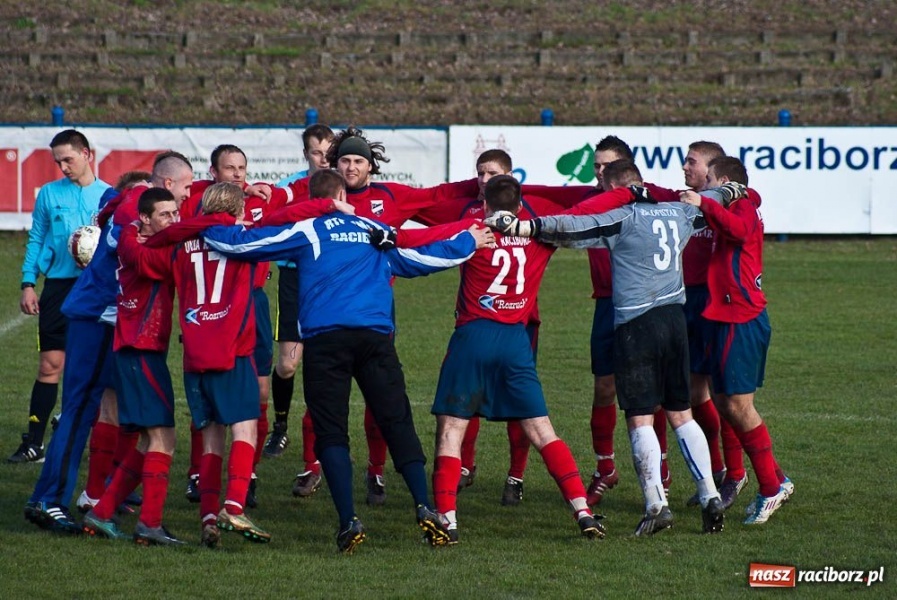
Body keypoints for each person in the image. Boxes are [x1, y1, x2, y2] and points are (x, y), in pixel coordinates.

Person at [200, 169, 490, 553]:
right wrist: (468, 243)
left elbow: (246, 244)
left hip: (325, 341)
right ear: (343, 194)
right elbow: (418, 258)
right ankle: (424, 506)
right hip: (374, 338)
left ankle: (348, 520)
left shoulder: (307, 229)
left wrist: (205, 226)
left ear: (313, 198)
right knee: (397, 421)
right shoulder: (373, 228)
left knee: (331, 430)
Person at [486, 161, 725, 536]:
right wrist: (730, 192)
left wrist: (522, 227)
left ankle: (656, 505)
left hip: (637, 324)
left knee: (640, 417)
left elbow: (573, 227)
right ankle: (710, 495)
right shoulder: (679, 212)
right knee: (681, 413)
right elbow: (712, 200)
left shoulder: (622, 218)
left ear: (615, 188)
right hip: (675, 321)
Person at [277, 126, 478, 505]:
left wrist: (480, 184)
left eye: (358, 161)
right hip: (324, 311)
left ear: (371, 167)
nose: (351, 167)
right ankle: (310, 464)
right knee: (321, 398)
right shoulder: (314, 195)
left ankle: (376, 471)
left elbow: (436, 198)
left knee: (380, 402)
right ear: (334, 164)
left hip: (375, 313)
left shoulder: (390, 198)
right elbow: (276, 207)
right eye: (345, 161)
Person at [429, 174, 607, 544]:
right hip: (515, 342)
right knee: (542, 430)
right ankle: (583, 511)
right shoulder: (539, 233)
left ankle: (447, 520)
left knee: (451, 431)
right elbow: (579, 217)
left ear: (485, 204)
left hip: (473, 337)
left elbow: (429, 249)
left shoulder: (474, 229)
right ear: (521, 204)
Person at [24, 151, 194, 534]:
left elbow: (111, 212)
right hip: (100, 316)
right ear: (166, 186)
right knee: (81, 407)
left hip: (103, 316)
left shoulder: (132, 201)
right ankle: (49, 499)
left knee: (107, 409)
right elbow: (134, 248)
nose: (186, 199)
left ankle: (71, 496)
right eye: (185, 189)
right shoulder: (137, 205)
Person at [415, 148, 569, 506]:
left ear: (511, 177)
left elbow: (575, 208)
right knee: (467, 401)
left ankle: (515, 475)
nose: (484, 180)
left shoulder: (535, 210)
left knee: (523, 407)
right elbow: (422, 207)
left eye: (492, 173)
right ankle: (465, 467)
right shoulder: (467, 212)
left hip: (519, 323)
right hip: (483, 322)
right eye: (480, 173)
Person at [81, 187, 214, 545]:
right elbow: (172, 257)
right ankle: (149, 524)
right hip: (139, 351)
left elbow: (122, 216)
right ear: (145, 219)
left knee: (147, 440)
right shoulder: (148, 254)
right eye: (166, 215)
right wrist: (219, 220)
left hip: (136, 350)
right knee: (163, 438)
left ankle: (102, 512)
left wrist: (115, 217)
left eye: (176, 212)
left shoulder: (133, 240)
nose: (174, 220)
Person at [680, 157, 793, 525]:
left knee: (739, 407)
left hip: (740, 318)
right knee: (728, 405)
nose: (705, 185)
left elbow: (741, 231)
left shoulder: (742, 206)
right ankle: (774, 479)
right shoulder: (733, 201)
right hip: (723, 316)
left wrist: (706, 203)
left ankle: (769, 489)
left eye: (709, 179)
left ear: (724, 181)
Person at [180, 144, 284, 509]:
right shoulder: (200, 208)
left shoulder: (259, 203)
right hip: (216, 309)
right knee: (212, 398)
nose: (238, 174)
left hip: (253, 303)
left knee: (259, 391)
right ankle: (199, 474)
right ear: (213, 172)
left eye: (242, 168)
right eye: (229, 168)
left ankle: (248, 475)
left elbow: (293, 198)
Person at [11, 129, 111, 464]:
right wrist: (28, 282)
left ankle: (85, 440)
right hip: (58, 287)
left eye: (68, 159)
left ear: (87, 154)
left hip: (95, 289)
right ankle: (34, 442)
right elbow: (37, 238)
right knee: (51, 365)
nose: (63, 167)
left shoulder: (110, 197)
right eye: (58, 162)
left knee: (92, 369)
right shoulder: (50, 194)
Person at [268, 126, 334, 502]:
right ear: (306, 154)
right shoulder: (289, 188)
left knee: (320, 365)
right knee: (288, 365)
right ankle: (280, 425)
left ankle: (315, 457)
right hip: (295, 279)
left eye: (328, 152)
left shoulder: (344, 189)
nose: (323, 159)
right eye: (315, 152)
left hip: (329, 281)